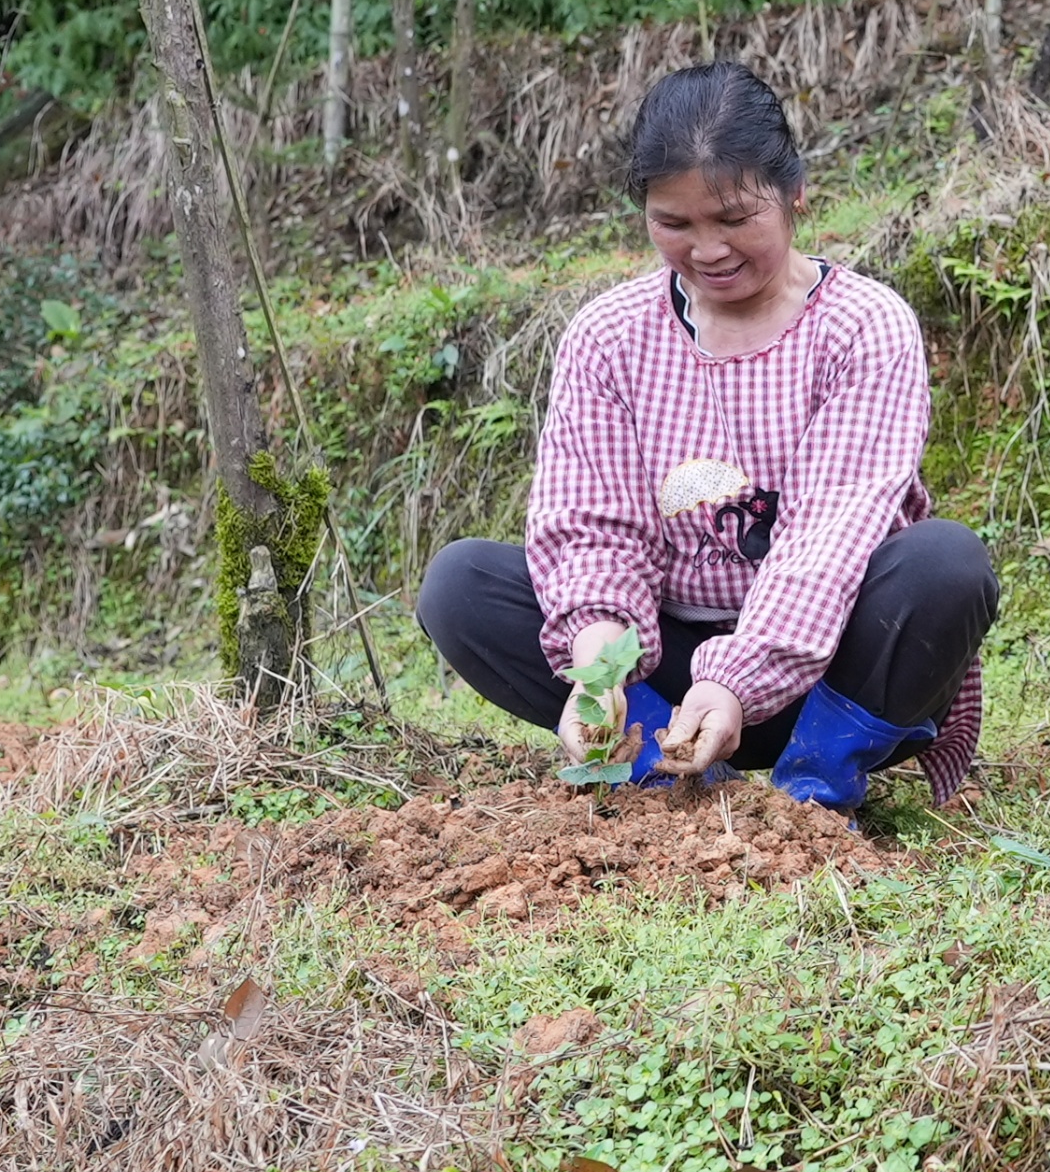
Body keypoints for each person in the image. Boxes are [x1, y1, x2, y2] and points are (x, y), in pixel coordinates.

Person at [414, 61, 996, 809]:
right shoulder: (610, 338)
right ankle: (659, 758)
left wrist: (736, 682)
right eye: (675, 224)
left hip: (827, 664)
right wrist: (600, 672)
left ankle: (816, 785)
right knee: (461, 585)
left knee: (945, 564)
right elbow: (594, 529)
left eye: (734, 218)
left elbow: (828, 539)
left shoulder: (864, 328)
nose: (708, 250)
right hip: (669, 671)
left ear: (793, 196)